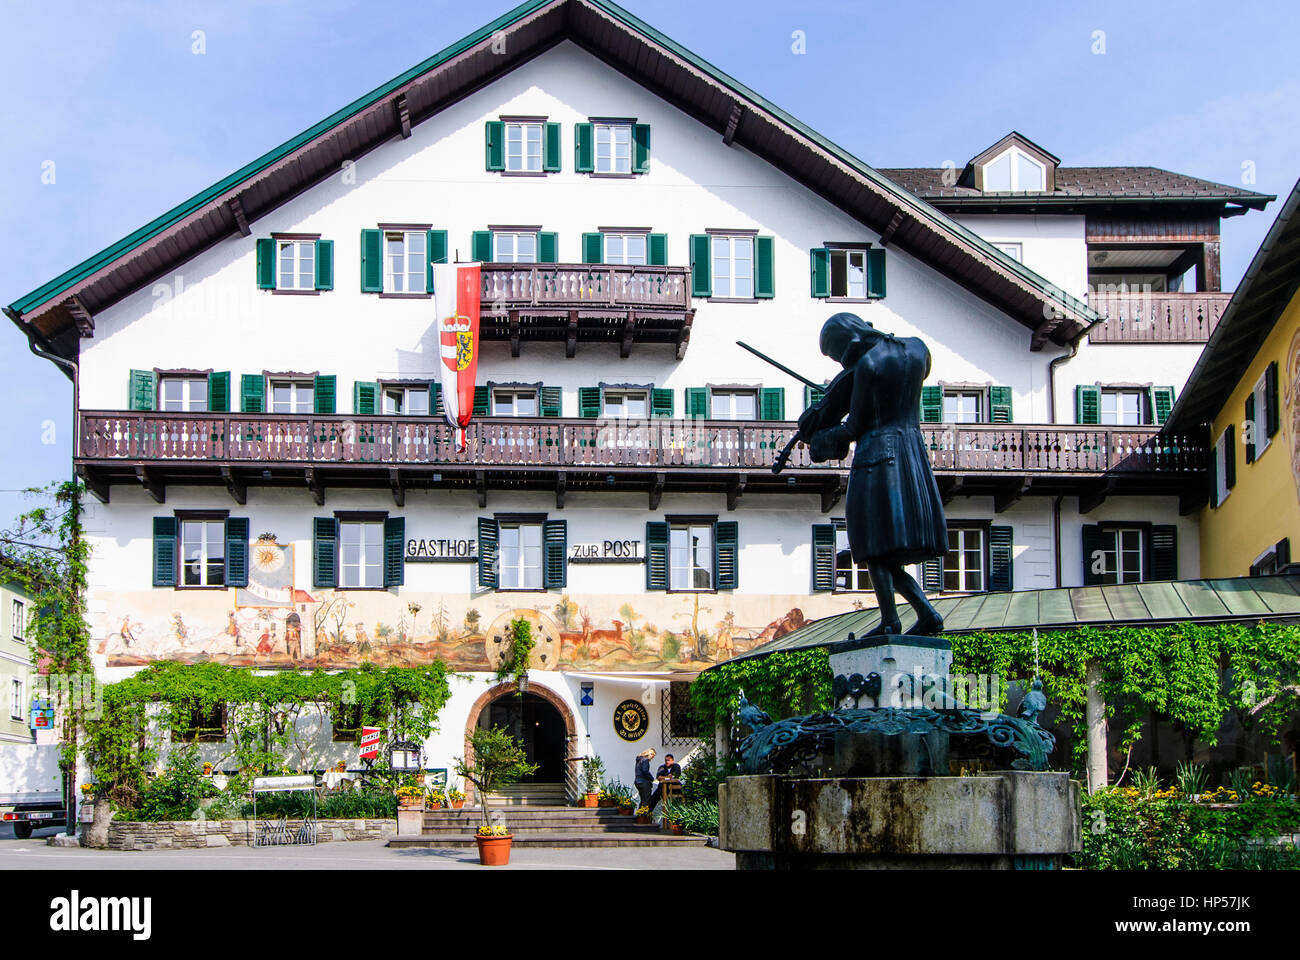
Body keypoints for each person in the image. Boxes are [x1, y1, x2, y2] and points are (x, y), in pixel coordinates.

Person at [805, 313, 948, 636]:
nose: (843, 364)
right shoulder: (918, 350)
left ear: (850, 341)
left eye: (840, 355)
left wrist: (822, 438)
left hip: (876, 454)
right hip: (911, 452)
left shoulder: (868, 365)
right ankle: (926, 614)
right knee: (888, 551)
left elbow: (854, 426)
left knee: (872, 544)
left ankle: (890, 620)